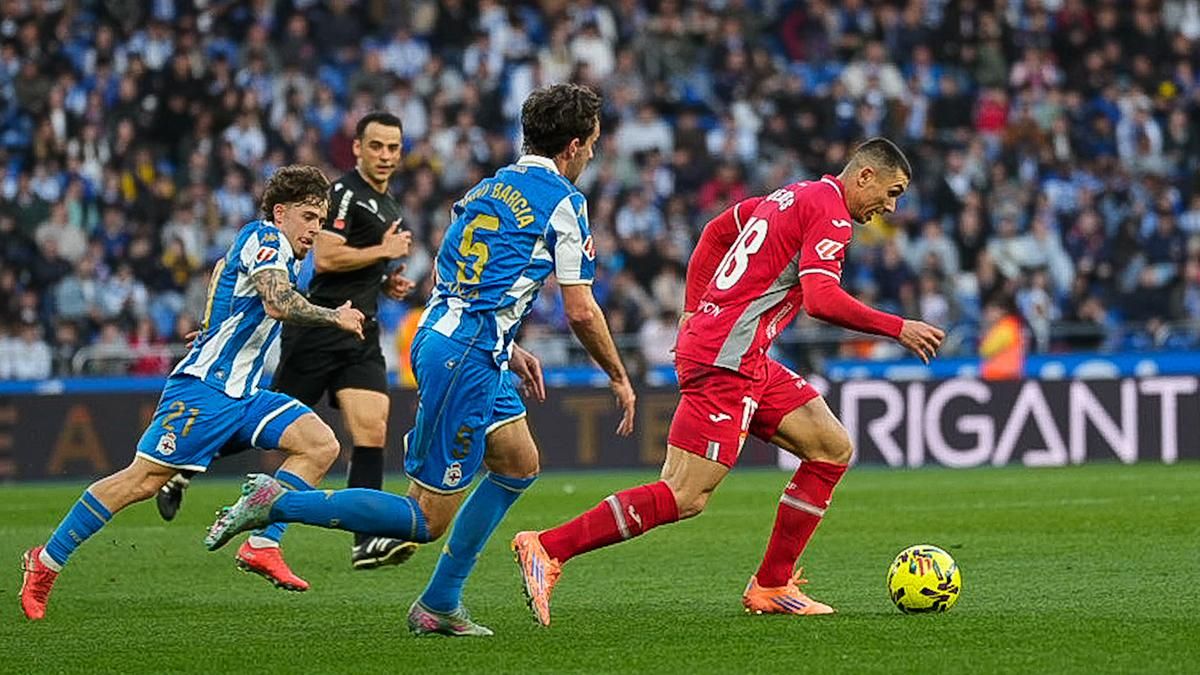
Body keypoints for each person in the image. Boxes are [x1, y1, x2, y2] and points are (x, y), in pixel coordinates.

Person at [203, 84, 636, 637]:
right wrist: (619, 377)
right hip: (468, 355)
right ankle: (277, 504)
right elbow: (579, 309)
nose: (594, 155)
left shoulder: (489, 188)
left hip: (459, 337)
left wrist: (510, 339)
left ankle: (440, 602)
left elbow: (449, 278)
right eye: (593, 144)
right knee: (424, 519)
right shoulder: (565, 203)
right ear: (573, 146)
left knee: (518, 463)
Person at [510, 137, 946, 626]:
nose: (890, 206)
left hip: (743, 353)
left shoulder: (793, 195)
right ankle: (548, 548)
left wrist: (693, 308)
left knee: (829, 447)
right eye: (892, 192)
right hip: (725, 359)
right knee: (683, 495)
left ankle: (773, 585)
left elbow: (718, 232)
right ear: (864, 175)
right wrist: (897, 326)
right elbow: (820, 298)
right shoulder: (833, 215)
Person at [19, 165, 369, 621]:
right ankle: (45, 562)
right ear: (281, 213)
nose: (314, 229)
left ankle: (262, 544)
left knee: (320, 445)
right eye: (308, 217)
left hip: (244, 394)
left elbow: (226, 282)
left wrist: (211, 329)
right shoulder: (267, 239)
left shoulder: (276, 249)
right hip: (204, 391)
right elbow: (276, 302)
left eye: (320, 221)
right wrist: (334, 316)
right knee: (140, 481)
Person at [154, 112, 418, 586]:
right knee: (259, 425)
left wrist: (388, 280)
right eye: (376, 146)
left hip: (359, 330)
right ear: (356, 148)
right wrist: (382, 253)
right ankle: (183, 468)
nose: (385, 155)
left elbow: (350, 266)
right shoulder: (341, 195)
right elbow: (329, 255)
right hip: (316, 329)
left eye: (393, 147)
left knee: (371, 425)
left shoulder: (388, 204)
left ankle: (364, 536)